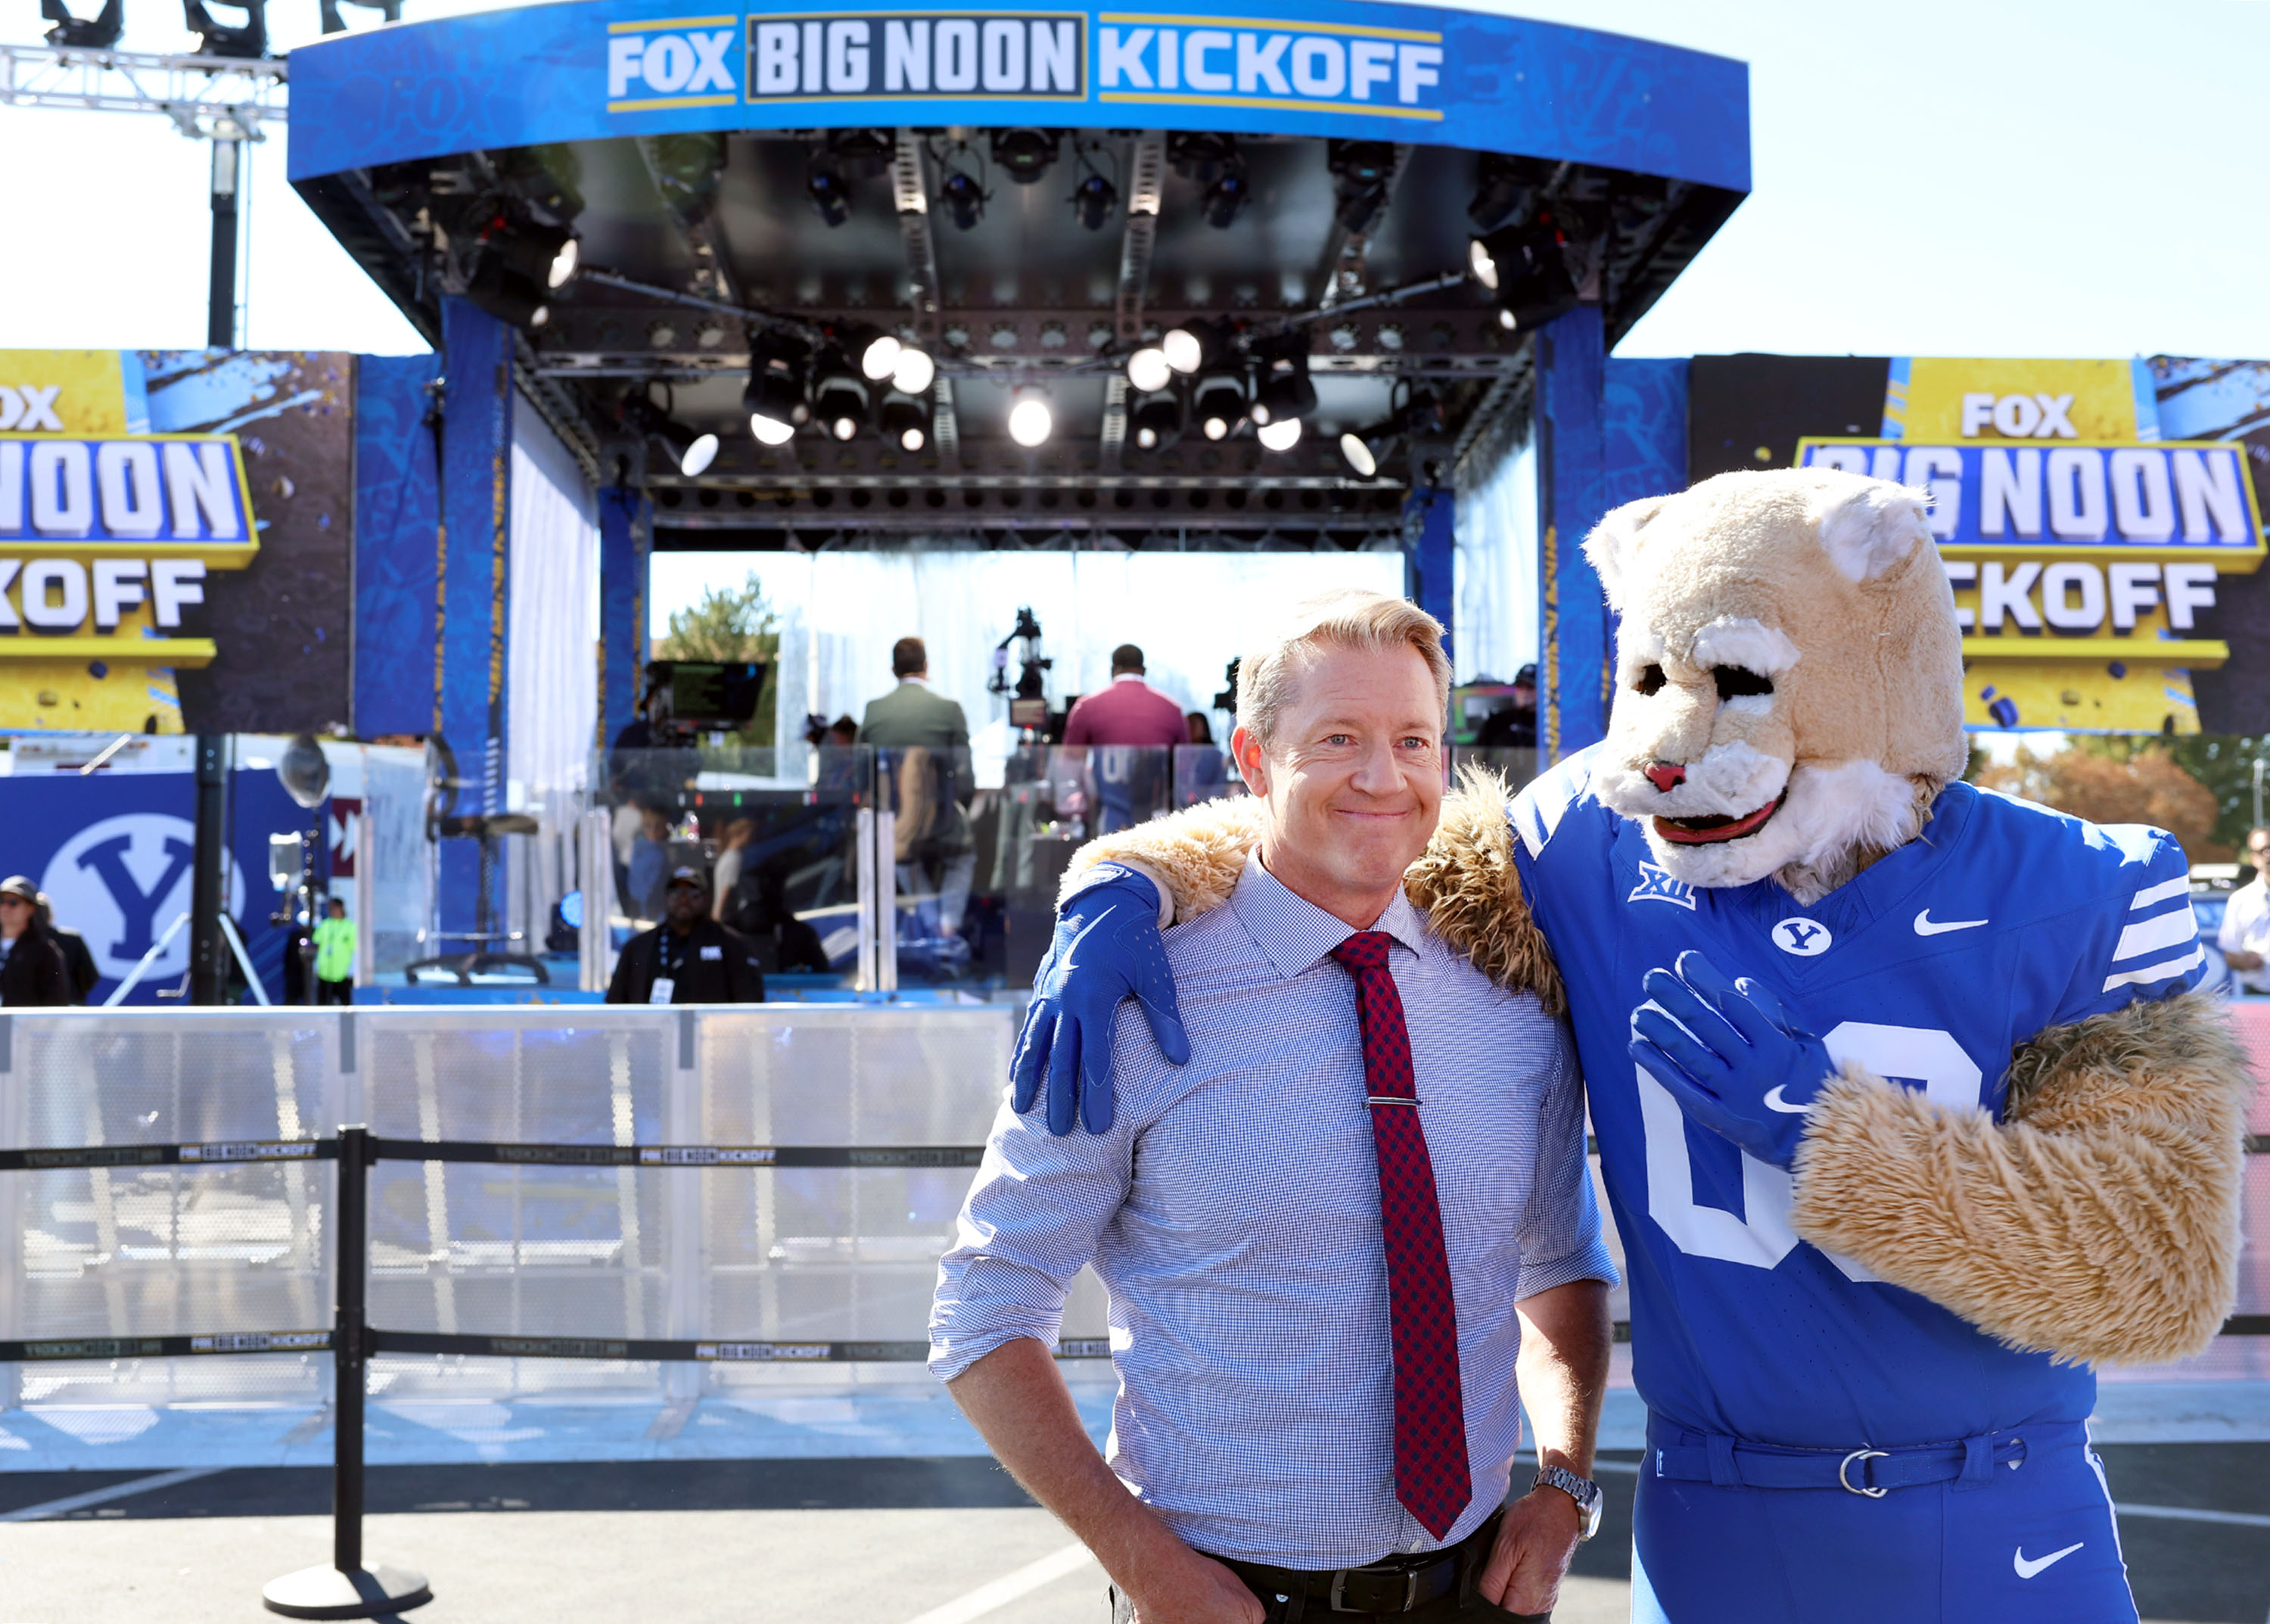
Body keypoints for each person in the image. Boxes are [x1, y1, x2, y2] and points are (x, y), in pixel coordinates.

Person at [935, 592, 1615, 1624]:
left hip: (1476, 1591)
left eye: (1414, 739)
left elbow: (1558, 1264)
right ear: (1252, 760)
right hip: (1218, 1597)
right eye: (1338, 738)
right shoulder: (1127, 998)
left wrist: (1565, 1485)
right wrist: (1138, 1556)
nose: (1384, 777)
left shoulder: (1514, 1008)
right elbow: (987, 1304)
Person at [606, 867, 766, 1004]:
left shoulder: (733, 944)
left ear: (706, 899)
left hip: (713, 1037)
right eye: (676, 893)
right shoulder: (638, 948)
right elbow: (616, 1006)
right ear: (666, 898)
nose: (684, 899)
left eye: (693, 893)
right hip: (655, 1038)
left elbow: (750, 1006)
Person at [1060, 643, 1188, 747]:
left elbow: (1071, 761)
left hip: (1104, 779)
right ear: (1144, 670)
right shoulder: (1173, 709)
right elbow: (1185, 763)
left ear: (1113, 670)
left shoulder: (1086, 706)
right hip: (1157, 779)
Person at [858, 638, 970, 750]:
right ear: (926, 666)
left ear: (894, 670)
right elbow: (963, 764)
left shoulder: (873, 709)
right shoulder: (951, 709)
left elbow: (860, 763)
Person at [0, 876, 72, 1007]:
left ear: (30, 908)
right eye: (1, 901)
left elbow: (56, 1002)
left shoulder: (44, 951)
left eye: (13, 902)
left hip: (20, 1027)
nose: (5, 907)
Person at [2217, 826, 2270, 994]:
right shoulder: (2240, 900)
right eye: (2264, 850)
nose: (2269, 855)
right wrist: (2244, 961)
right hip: (2259, 997)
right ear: (2254, 857)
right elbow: (2231, 956)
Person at [35, 892, 98, 1004]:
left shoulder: (22, 943)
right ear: (51, 915)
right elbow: (91, 977)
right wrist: (74, 994)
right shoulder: (73, 939)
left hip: (31, 1013)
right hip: (72, 1009)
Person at [1472, 664, 1536, 750]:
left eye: (1530, 687)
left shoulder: (1551, 725)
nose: (1524, 691)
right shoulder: (1496, 722)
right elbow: (1476, 757)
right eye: (1520, 686)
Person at [313, 896, 356, 1005]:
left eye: (333, 907)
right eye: (329, 908)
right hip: (324, 973)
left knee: (345, 1006)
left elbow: (355, 948)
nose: (330, 910)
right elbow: (316, 944)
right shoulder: (325, 924)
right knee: (322, 1006)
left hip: (342, 974)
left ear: (340, 908)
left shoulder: (350, 926)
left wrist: (352, 970)